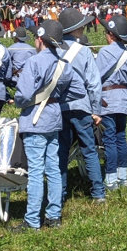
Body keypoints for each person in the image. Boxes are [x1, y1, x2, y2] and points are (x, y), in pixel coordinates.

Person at [12, 21, 86, 230]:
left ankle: (33, 219)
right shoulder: (64, 64)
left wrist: (23, 101)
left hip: (35, 120)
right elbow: (79, 90)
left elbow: (23, 95)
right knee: (53, 168)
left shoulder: (34, 62)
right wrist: (57, 98)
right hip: (54, 119)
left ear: (40, 40)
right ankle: (54, 216)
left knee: (36, 171)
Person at [61, 11, 107, 203]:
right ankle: (98, 192)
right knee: (89, 149)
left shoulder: (54, 51)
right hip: (81, 106)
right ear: (76, 29)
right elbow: (94, 84)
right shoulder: (85, 51)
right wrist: (96, 110)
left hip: (61, 107)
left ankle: (60, 194)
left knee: (61, 152)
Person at [96, 19, 127, 193]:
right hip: (123, 98)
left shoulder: (104, 52)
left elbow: (96, 77)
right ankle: (123, 177)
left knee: (110, 140)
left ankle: (111, 178)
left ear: (111, 35)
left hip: (107, 99)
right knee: (121, 138)